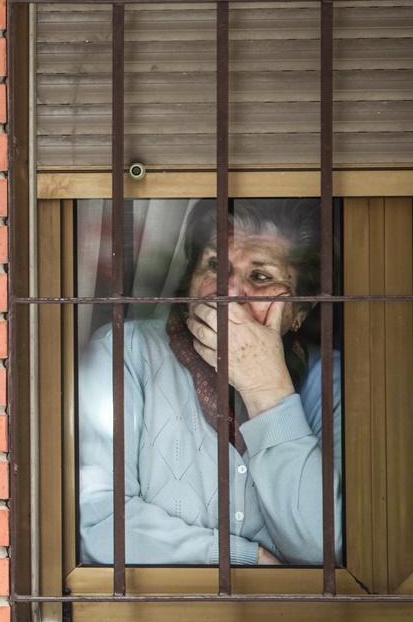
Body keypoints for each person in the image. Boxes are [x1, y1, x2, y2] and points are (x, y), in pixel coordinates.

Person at [77, 198, 342, 566]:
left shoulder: (332, 381)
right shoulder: (125, 353)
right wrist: (242, 559)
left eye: (260, 276)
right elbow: (100, 523)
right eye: (215, 266)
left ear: (299, 311)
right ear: (189, 283)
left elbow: (325, 548)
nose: (229, 291)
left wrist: (267, 390)